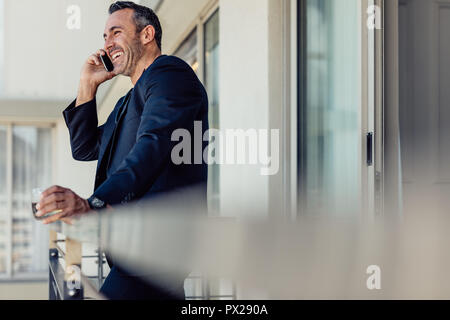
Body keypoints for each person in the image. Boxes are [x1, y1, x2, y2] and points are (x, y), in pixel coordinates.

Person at [35, 1, 209, 299]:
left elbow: (154, 143)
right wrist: (87, 85)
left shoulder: (169, 73)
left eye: (116, 32)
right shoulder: (127, 102)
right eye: (104, 37)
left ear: (146, 34)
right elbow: (86, 147)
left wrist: (96, 204)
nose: (107, 44)